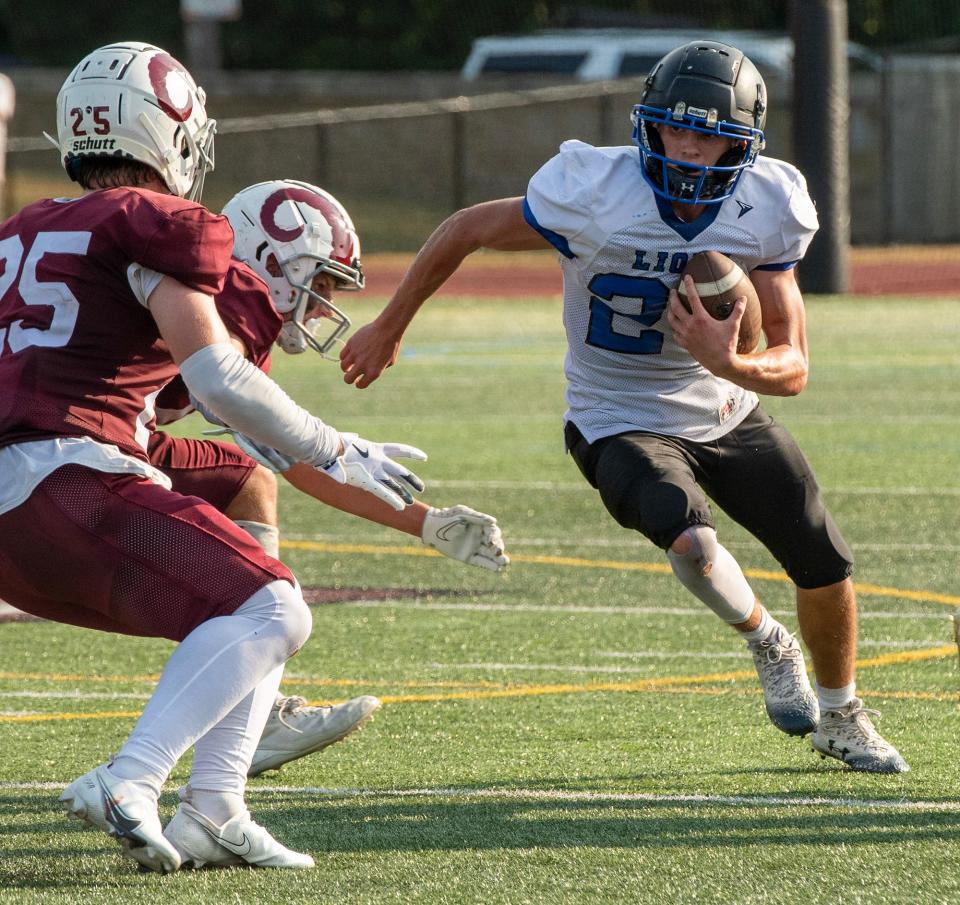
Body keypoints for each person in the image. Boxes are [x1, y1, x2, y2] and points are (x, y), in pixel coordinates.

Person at [339, 40, 908, 774]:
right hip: (617, 415)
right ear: (649, 123)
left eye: (708, 135)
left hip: (725, 407)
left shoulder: (768, 203)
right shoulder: (593, 188)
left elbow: (793, 364)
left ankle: (841, 715)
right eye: (674, 127)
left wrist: (727, 361)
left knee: (822, 557)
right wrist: (390, 324)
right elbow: (467, 229)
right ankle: (767, 638)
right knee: (694, 543)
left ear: (744, 144)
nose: (686, 148)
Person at [0, 41, 427, 873]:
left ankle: (216, 807)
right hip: (65, 478)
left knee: (241, 533)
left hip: (19, 504)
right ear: (172, 130)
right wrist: (338, 446)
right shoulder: (154, 222)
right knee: (276, 611)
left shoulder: (22, 227)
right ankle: (132, 777)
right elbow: (218, 376)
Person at [147, 177, 509, 778]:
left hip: (83, 436)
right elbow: (299, 445)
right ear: (268, 261)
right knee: (263, 596)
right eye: (319, 283)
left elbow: (298, 464)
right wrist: (337, 445)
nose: (323, 306)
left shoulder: (224, 311)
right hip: (62, 443)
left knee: (248, 483)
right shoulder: (225, 296)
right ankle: (160, 763)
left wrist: (425, 523)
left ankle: (248, 717)